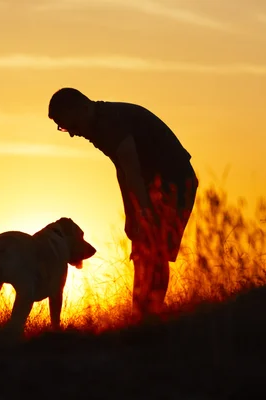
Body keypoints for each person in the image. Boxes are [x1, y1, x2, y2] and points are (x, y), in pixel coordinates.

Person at [47, 88, 199, 322]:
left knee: (154, 251)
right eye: (64, 128)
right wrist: (131, 214)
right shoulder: (97, 125)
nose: (71, 134)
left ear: (81, 108)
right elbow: (123, 170)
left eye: (68, 125)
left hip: (175, 182)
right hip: (153, 185)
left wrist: (144, 212)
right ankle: (141, 317)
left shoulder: (108, 122)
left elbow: (132, 170)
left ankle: (149, 318)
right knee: (143, 250)